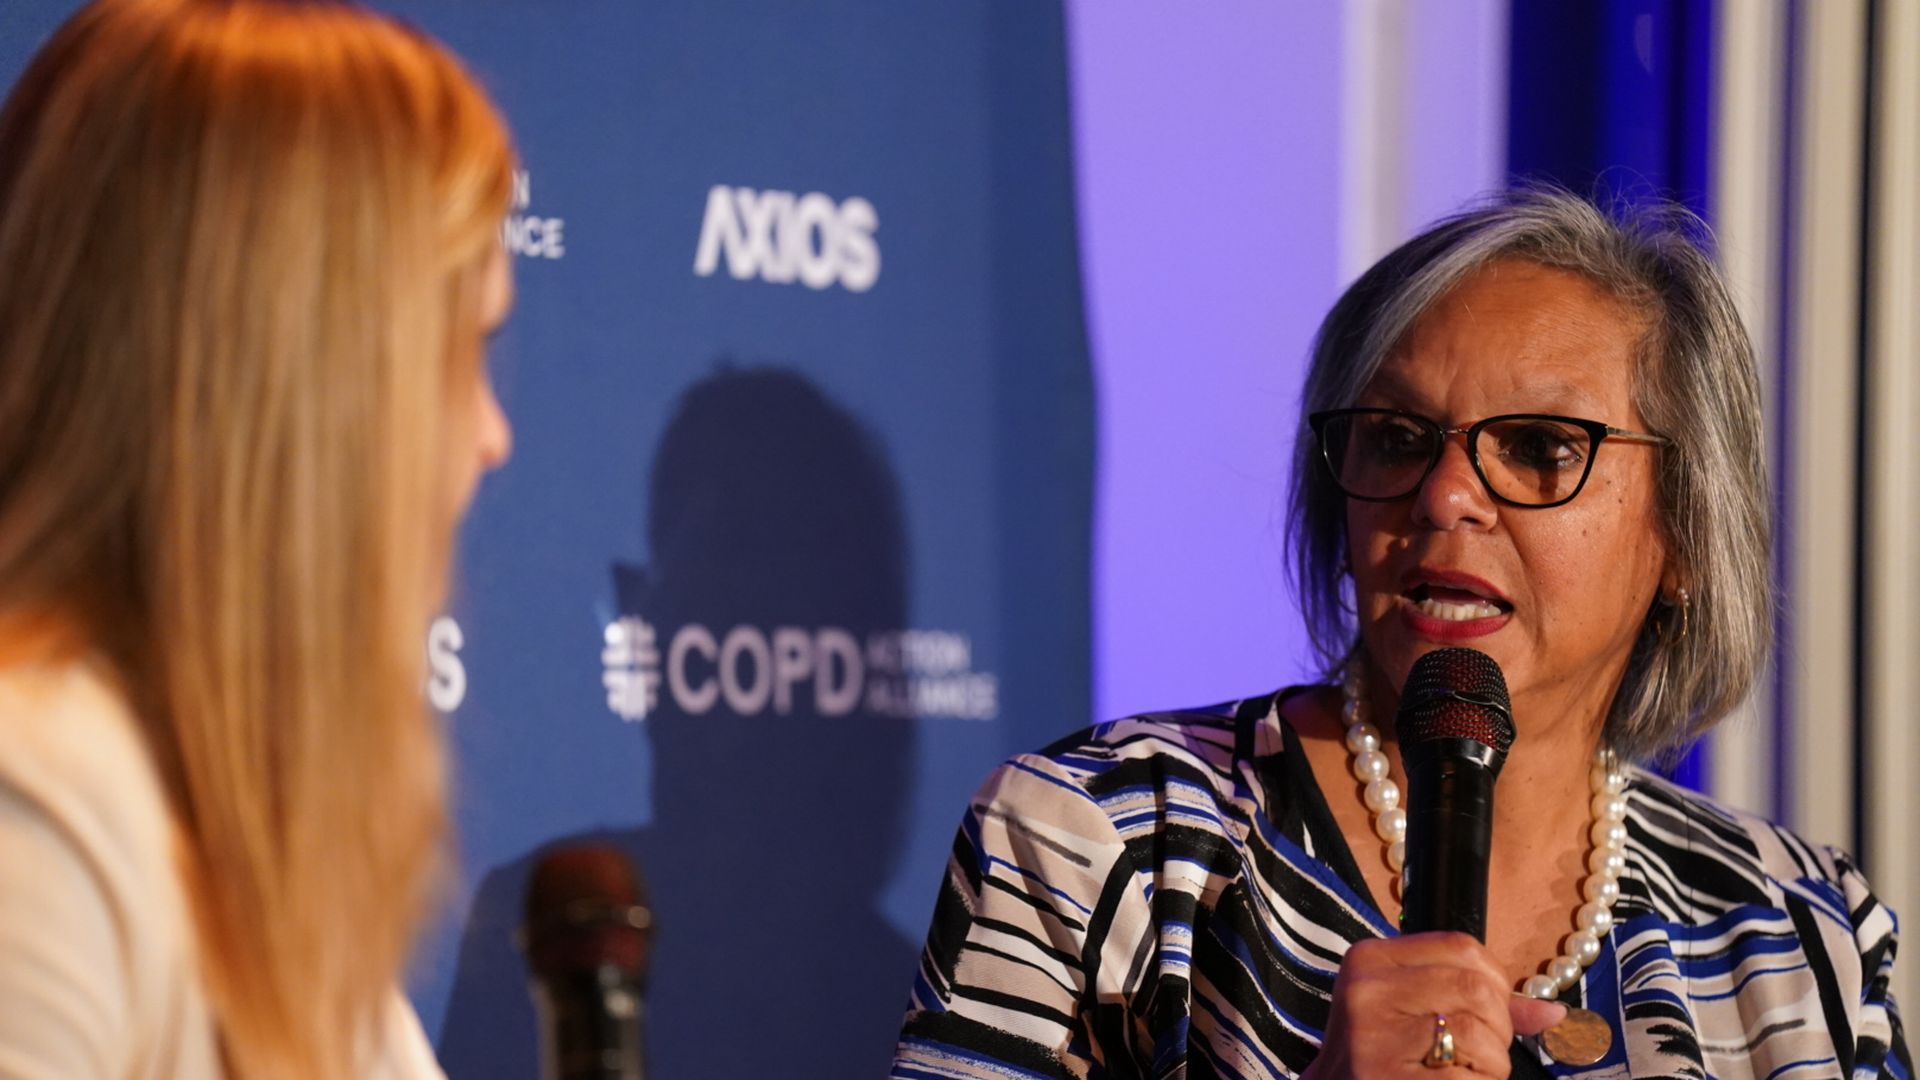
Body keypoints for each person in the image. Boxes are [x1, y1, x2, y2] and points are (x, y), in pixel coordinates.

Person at [891, 190, 1909, 1078]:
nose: (1446, 495)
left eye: (1540, 447)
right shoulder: (1101, 841)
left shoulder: (1800, 928)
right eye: (1397, 439)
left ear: (1685, 531)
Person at [0, 0, 513, 1075]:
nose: (491, 435)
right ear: (312, 383)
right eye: (459, 355)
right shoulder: (39, 797)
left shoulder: (236, 852)